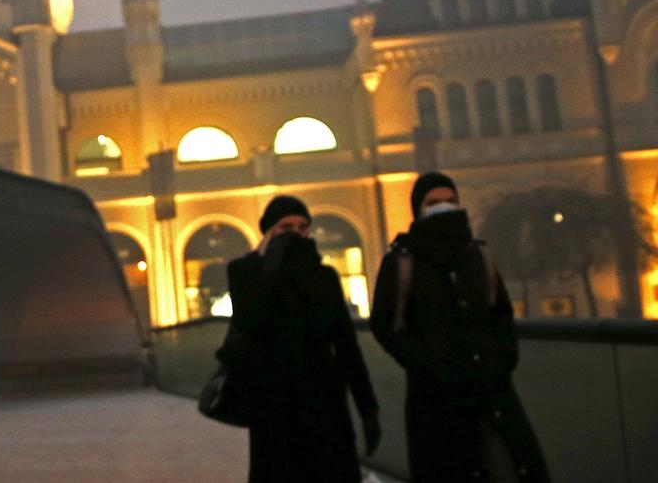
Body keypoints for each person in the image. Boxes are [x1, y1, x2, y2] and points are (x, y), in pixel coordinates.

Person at [370, 171, 548, 483]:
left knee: (509, 467)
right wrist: (428, 365)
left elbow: (500, 313)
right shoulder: (402, 261)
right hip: (437, 405)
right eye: (433, 202)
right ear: (418, 209)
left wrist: (502, 359)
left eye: (451, 201)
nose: (444, 208)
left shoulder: (477, 256)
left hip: (490, 394)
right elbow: (385, 325)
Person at [220, 194, 380, 483]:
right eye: (286, 227)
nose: (295, 234)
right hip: (274, 409)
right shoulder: (245, 272)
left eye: (302, 227)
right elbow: (251, 325)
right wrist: (273, 266)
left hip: (325, 404)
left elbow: (346, 345)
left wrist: (367, 408)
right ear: (269, 231)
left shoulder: (324, 277)